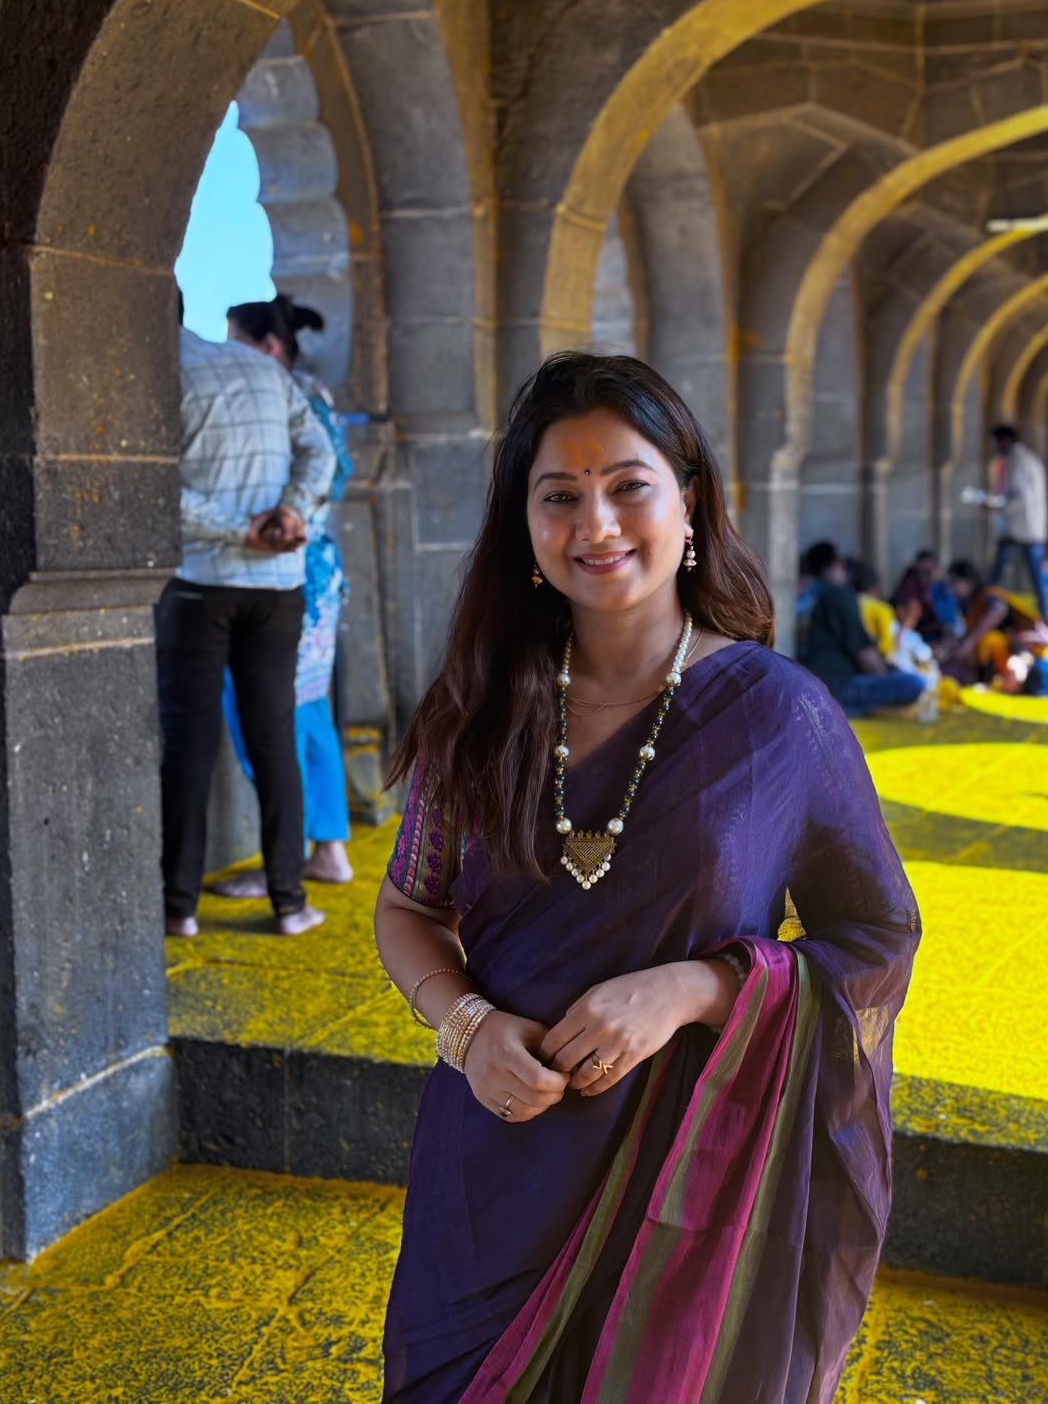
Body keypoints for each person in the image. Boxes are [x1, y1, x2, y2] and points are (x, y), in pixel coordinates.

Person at [374, 354, 919, 1402]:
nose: (597, 524)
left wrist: (697, 987)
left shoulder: (780, 717)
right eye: (559, 495)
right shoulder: (477, 706)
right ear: (524, 525)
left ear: (691, 502)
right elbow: (408, 905)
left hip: (687, 1168)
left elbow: (877, 938)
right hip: (490, 1158)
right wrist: (468, 1026)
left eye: (629, 484)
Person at [157, 295, 335, 938]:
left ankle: (179, 908)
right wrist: (290, 516)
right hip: (277, 584)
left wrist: (239, 530)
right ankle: (290, 903)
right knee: (275, 738)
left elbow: (146, 484)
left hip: (201, 584)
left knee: (189, 742)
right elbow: (321, 454)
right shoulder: (260, 367)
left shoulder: (151, 372)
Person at [211, 295, 366, 896]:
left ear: (268, 348)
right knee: (306, 711)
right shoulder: (315, 396)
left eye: (236, 342)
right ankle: (329, 849)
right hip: (320, 574)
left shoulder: (272, 398)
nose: (228, 356)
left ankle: (288, 853)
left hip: (280, 573)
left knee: (266, 715)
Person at [802, 541, 925, 717]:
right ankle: (855, 708)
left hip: (808, 685)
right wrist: (884, 675)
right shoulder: (838, 595)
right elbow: (865, 654)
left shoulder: (805, 596)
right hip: (837, 687)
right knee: (915, 683)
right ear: (838, 565)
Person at [941, 559, 1048, 684]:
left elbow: (999, 610)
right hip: (1009, 649)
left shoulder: (988, 594)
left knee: (989, 641)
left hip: (1028, 646)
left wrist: (969, 642)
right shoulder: (967, 604)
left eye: (954, 582)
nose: (951, 588)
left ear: (969, 581)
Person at [985, 422, 1048, 622]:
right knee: (1036, 579)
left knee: (996, 578)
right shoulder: (1029, 459)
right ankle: (1044, 618)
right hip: (1032, 528)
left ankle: (988, 613)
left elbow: (1018, 499)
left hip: (1019, 530)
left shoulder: (1017, 461)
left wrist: (996, 507)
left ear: (1005, 440)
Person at [891, 549, 963, 643]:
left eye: (928, 572)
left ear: (937, 571)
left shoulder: (944, 591)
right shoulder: (909, 584)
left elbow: (949, 623)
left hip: (938, 638)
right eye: (921, 572)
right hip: (912, 635)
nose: (924, 577)